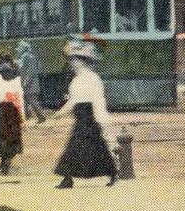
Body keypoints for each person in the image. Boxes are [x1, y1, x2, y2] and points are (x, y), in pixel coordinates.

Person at [53, 40, 118, 188]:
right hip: (81, 117)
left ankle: (68, 178)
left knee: (83, 147)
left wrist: (102, 117)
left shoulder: (93, 79)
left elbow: (98, 100)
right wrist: (60, 113)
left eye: (76, 61)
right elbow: (73, 101)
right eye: (72, 61)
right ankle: (110, 173)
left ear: (84, 62)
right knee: (92, 147)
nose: (73, 64)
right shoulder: (77, 80)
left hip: (89, 117)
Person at [0, 56, 25, 174]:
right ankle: (7, 159)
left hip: (0, 110)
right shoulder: (17, 80)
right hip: (13, 111)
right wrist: (22, 115)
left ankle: (3, 160)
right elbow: (20, 98)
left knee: (0, 136)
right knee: (12, 138)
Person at [17, 40, 46, 124]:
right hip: (27, 83)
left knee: (32, 101)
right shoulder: (25, 57)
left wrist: (26, 82)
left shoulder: (28, 57)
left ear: (23, 48)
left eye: (19, 48)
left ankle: (41, 117)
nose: (18, 50)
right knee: (25, 101)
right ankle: (26, 117)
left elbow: (31, 71)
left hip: (30, 84)